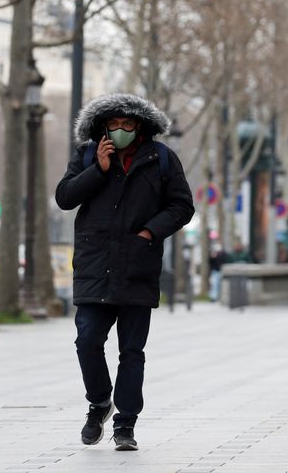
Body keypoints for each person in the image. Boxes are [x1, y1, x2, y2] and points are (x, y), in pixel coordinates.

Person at [55, 93, 195, 451]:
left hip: (138, 267)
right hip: (93, 266)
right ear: (102, 128)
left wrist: (149, 232)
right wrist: (97, 170)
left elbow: (182, 205)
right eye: (113, 125)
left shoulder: (162, 159)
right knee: (87, 339)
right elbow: (65, 197)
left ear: (140, 127)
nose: (119, 130)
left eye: (127, 125)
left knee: (132, 352)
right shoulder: (87, 155)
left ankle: (126, 425)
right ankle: (99, 401)